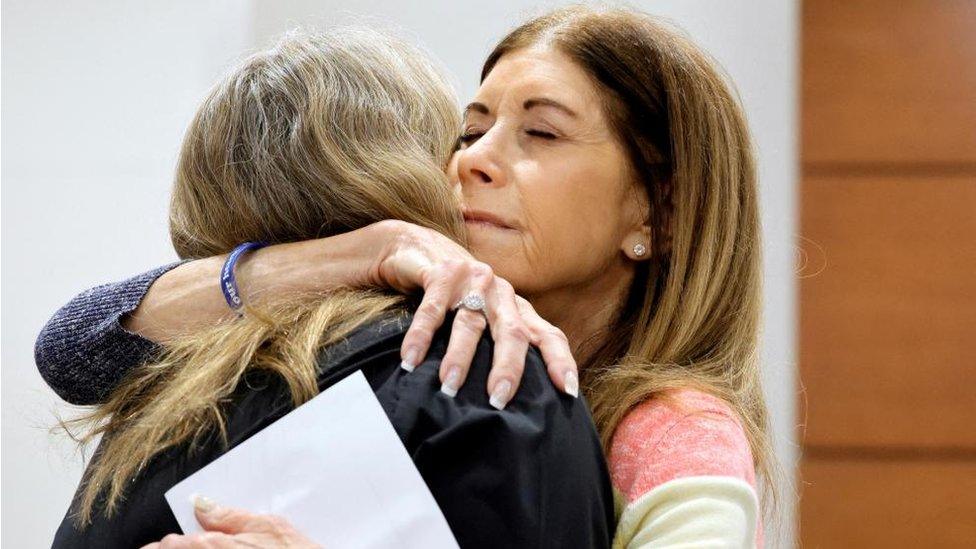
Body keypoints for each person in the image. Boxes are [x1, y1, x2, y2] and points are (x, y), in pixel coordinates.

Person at [39, 6, 785, 547]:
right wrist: (368, 247)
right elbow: (73, 345)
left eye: (542, 133)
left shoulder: (677, 436)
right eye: (470, 129)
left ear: (657, 214)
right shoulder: (451, 353)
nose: (472, 160)